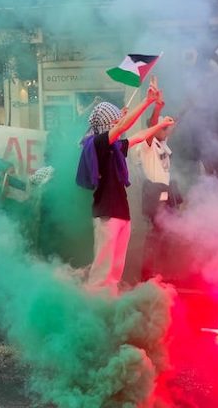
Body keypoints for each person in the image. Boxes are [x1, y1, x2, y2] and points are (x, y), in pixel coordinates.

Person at [77, 77, 174, 295]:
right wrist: (148, 102)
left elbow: (138, 136)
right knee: (102, 273)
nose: (117, 125)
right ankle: (93, 310)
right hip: (107, 214)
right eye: (113, 122)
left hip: (121, 214)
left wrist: (160, 124)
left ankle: (108, 309)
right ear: (105, 124)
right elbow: (124, 125)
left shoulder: (116, 146)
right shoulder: (99, 143)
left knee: (114, 273)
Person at [137, 94, 178, 279]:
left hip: (163, 193)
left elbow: (171, 125)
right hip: (154, 193)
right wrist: (157, 110)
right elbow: (153, 125)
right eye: (162, 127)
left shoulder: (162, 143)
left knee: (165, 233)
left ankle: (159, 272)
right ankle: (148, 273)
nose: (166, 130)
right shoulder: (148, 144)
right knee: (156, 233)